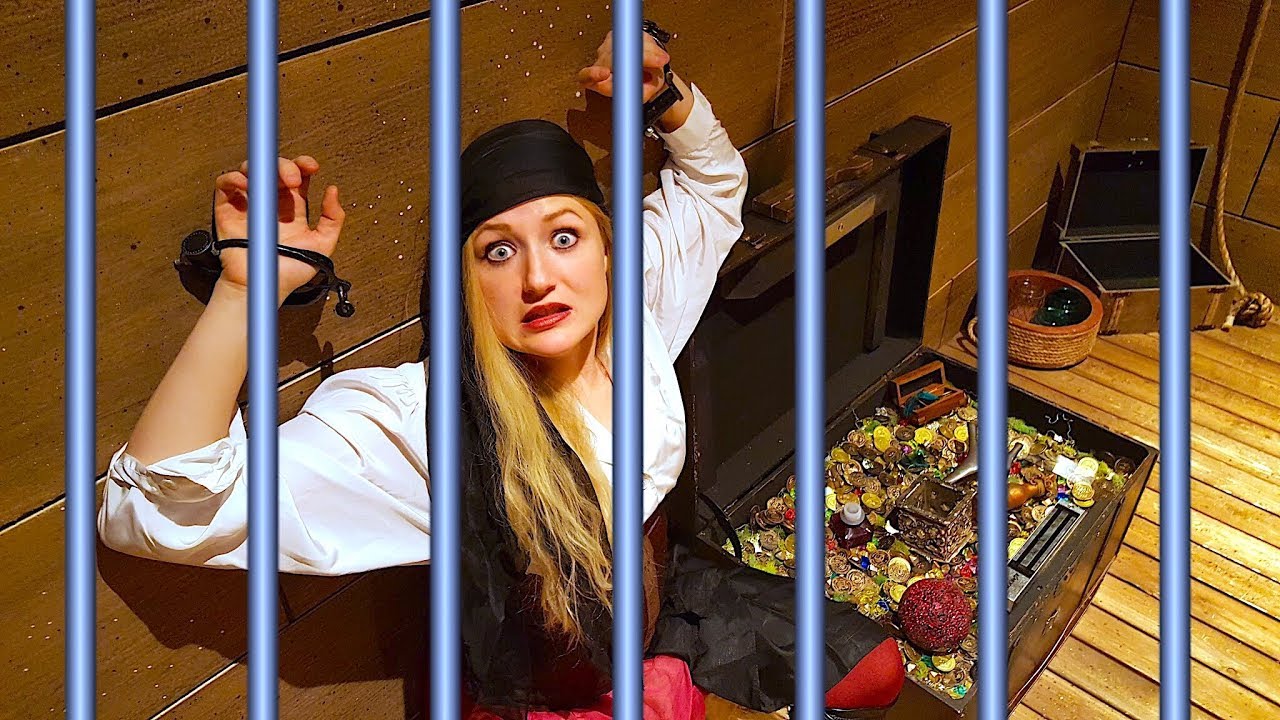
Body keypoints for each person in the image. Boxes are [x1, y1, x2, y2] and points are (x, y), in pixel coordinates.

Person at [98, 27, 904, 720]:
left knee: (876, 671)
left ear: (606, 249)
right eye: (498, 251)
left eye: (564, 237)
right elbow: (155, 507)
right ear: (468, 284)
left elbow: (713, 190)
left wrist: (666, 100)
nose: (539, 278)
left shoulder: (636, 307)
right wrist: (244, 294)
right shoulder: (421, 427)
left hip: (663, 600)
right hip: (546, 684)